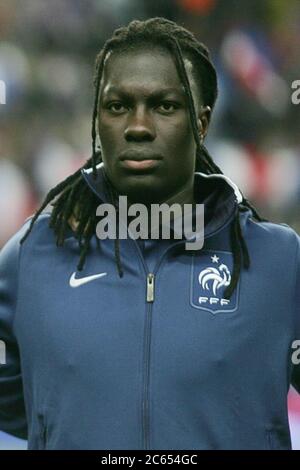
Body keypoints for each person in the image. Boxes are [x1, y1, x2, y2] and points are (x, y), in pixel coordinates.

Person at [0, 17, 299, 451]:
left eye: (164, 106)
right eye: (118, 106)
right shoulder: (34, 255)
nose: (138, 127)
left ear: (202, 122)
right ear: (97, 120)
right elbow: (22, 405)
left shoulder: (278, 260)